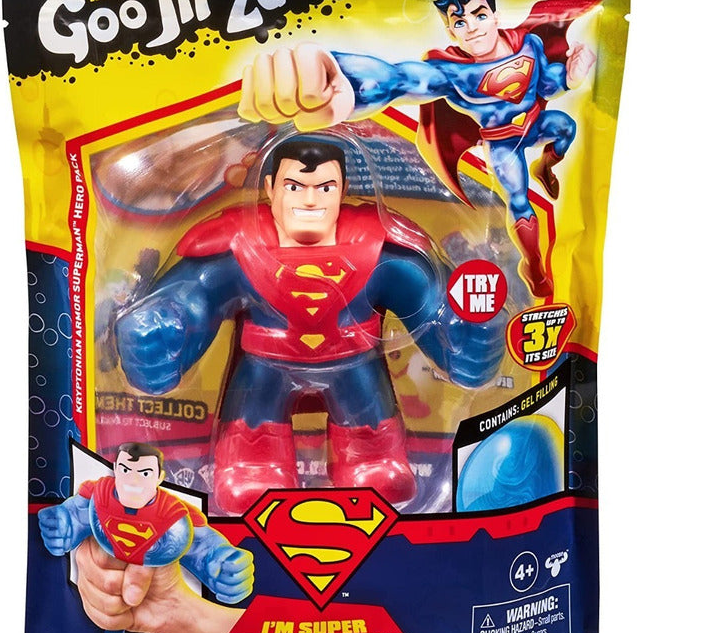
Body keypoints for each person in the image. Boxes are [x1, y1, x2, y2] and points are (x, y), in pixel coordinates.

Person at [115, 135, 504, 515]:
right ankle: (253, 463)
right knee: (253, 445)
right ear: (270, 188)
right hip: (265, 365)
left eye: (325, 187)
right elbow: (197, 292)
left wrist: (460, 332)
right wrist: (164, 324)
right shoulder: (240, 242)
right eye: (295, 186)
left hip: (354, 362)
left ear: (343, 190)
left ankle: (371, 458)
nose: (310, 199)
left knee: (373, 452)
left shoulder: (379, 243)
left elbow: (422, 292)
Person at [238, 0, 608, 297]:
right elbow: (402, 79)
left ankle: (546, 165)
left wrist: (571, 78)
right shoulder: (455, 75)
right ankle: (535, 265)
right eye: (459, 22)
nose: (472, 27)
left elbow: (547, 84)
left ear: (495, 16)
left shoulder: (530, 45)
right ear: (451, 32)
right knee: (519, 204)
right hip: (503, 143)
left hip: (537, 124)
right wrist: (341, 75)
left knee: (567, 128)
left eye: (479, 15)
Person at [38, 442, 253, 633]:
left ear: (159, 478)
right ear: (115, 470)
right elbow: (74, 516)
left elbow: (203, 548)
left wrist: (224, 568)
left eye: (144, 473)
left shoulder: (175, 516)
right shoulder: (99, 496)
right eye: (125, 470)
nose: (133, 481)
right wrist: (61, 526)